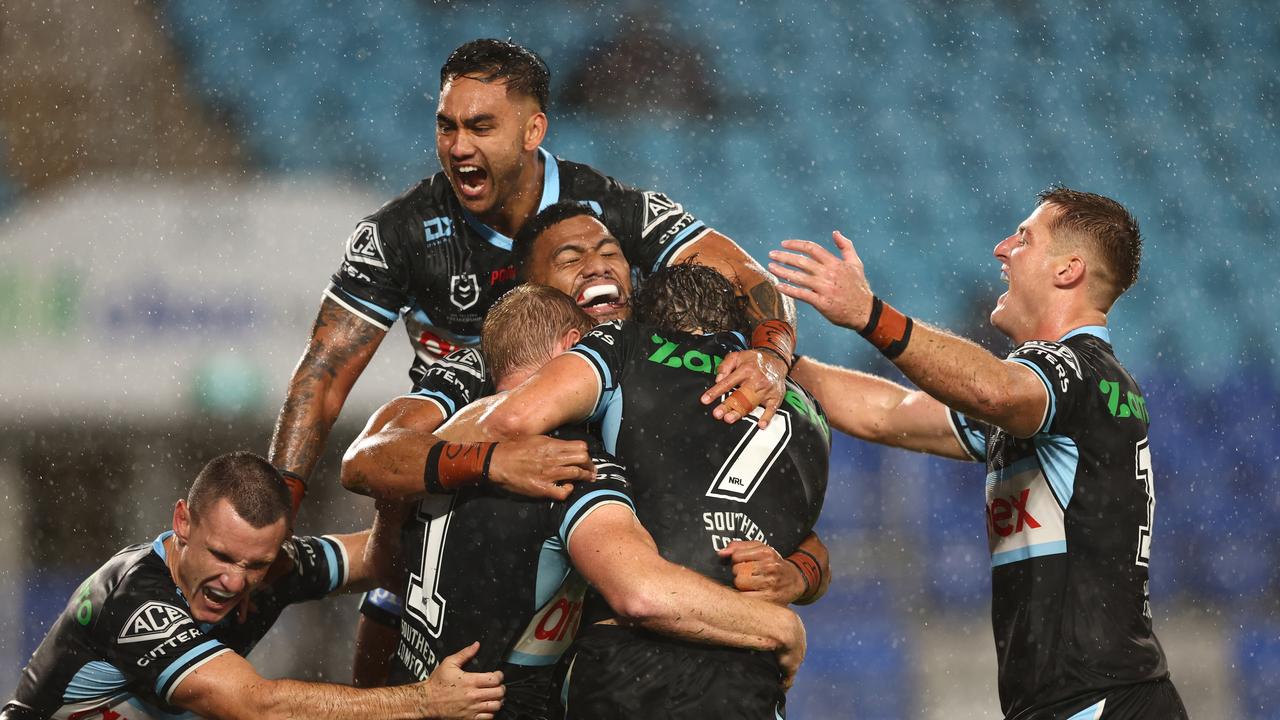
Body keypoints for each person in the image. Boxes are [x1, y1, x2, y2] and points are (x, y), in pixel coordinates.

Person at [270, 38, 797, 516]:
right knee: (392, 581)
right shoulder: (399, 234)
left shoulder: (606, 207)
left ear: (532, 130)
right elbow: (322, 377)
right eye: (446, 125)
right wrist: (280, 510)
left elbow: (743, 276)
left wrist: (772, 356)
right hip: (457, 457)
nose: (458, 147)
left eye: (480, 127)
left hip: (590, 457)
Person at [340, 202, 832, 686]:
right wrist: (490, 459)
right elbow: (371, 459)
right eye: (570, 259)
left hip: (600, 669)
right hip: (492, 672)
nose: (596, 265)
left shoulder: (665, 357)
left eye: (609, 252)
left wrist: (798, 573)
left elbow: (770, 517)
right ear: (529, 290)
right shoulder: (482, 370)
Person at [769, 187, 1188, 719]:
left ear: (1068, 271)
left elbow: (992, 389)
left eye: (1024, 238)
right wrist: (767, 354)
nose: (1001, 248)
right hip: (1090, 700)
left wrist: (870, 315)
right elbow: (889, 412)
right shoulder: (1061, 395)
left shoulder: (1074, 371)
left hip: (1097, 703)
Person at [440, 262, 832, 719]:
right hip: (748, 670)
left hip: (634, 662)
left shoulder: (626, 343)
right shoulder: (808, 409)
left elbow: (513, 420)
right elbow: (810, 548)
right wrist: (800, 577)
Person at [1, 452, 503, 720]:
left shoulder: (272, 569)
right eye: (220, 556)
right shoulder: (138, 601)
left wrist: (489, 530)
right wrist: (423, 701)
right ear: (183, 522)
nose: (233, 581)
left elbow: (371, 558)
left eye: (254, 564)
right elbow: (257, 706)